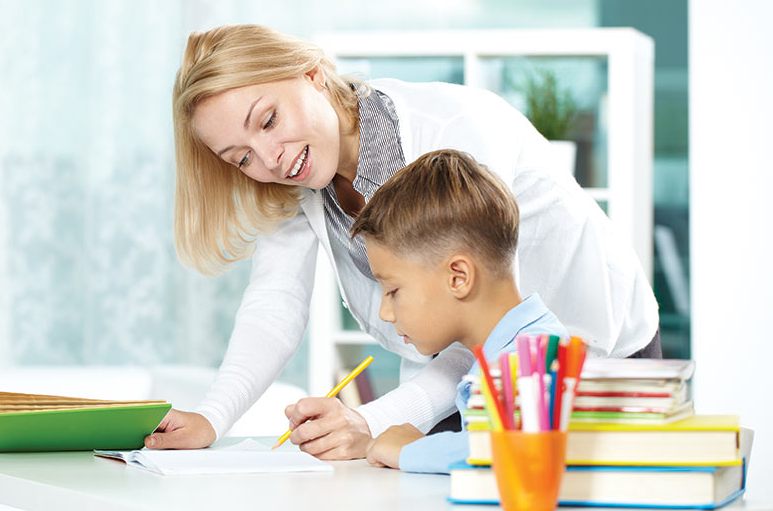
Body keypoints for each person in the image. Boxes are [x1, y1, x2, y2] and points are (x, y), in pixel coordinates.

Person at [145, 24, 659, 459]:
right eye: (240, 157)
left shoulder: (455, 131)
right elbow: (274, 305)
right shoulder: (296, 174)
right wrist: (212, 418)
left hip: (593, 356)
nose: (269, 158)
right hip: (463, 380)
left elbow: (484, 315)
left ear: (312, 74)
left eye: (269, 120)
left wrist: (373, 419)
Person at [354, 148, 567, 473]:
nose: (386, 312)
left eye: (393, 291)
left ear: (458, 277)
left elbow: (514, 452)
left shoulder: (534, 355)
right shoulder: (500, 355)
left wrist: (412, 450)